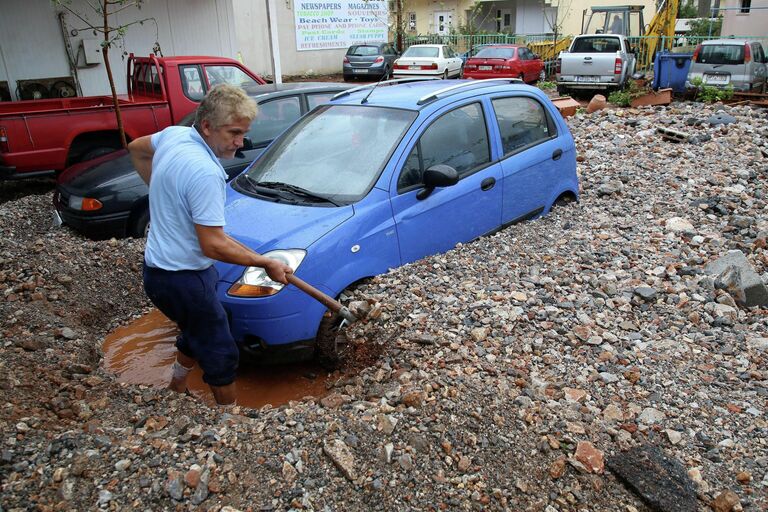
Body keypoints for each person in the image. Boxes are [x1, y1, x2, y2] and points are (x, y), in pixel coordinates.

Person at [128, 84, 293, 407]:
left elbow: (136, 148)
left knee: (199, 327)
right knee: (220, 349)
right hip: (184, 277)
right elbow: (213, 246)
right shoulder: (205, 172)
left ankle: (176, 387)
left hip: (157, 272)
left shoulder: (175, 136)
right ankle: (228, 425)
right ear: (207, 126)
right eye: (233, 132)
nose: (240, 142)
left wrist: (163, 195)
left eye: (244, 133)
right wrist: (266, 263)